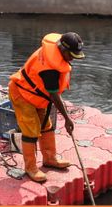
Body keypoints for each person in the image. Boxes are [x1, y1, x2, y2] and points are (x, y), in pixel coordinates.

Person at [8, 32, 85, 182]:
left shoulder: (57, 51)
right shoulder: (49, 70)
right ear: (62, 49)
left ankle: (50, 158)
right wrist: (67, 119)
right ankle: (30, 167)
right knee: (31, 130)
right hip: (22, 93)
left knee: (46, 126)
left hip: (36, 94)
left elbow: (53, 93)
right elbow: (54, 96)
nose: (72, 59)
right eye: (71, 55)